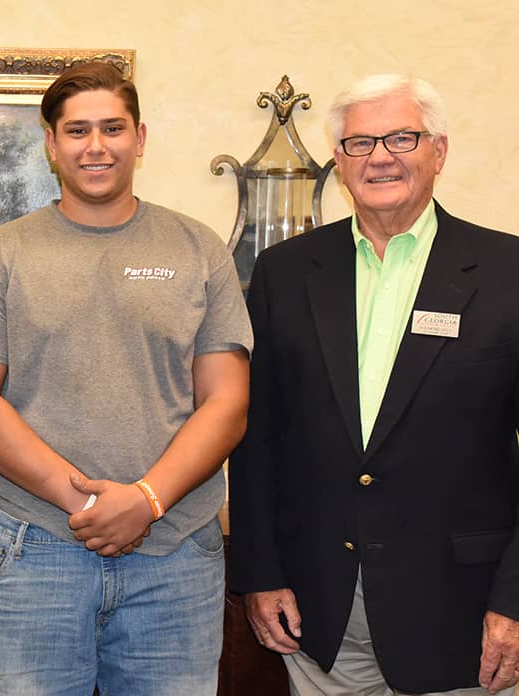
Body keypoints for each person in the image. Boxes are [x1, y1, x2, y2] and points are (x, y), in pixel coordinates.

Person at [0, 61, 251, 694]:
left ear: (140, 137)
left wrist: (146, 500)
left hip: (176, 553)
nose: (96, 146)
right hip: (32, 549)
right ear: (52, 145)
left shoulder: (198, 249)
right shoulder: (4, 253)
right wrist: (85, 504)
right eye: (77, 131)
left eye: (112, 128)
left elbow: (227, 403)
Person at [228, 74, 519, 695]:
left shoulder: (508, 273)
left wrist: (516, 601)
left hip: (465, 616)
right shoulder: (286, 273)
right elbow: (257, 437)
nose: (379, 156)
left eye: (401, 138)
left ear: (438, 151)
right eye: (359, 143)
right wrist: (259, 572)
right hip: (320, 613)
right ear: (338, 161)